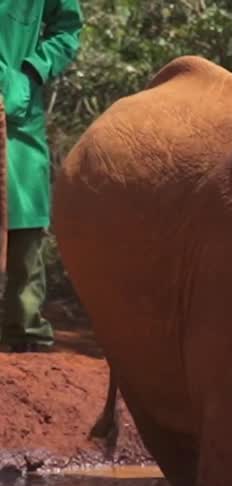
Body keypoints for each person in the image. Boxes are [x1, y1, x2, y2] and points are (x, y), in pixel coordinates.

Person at [2, 0, 83, 352]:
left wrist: (31, 72)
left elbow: (67, 29)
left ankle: (24, 330)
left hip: (16, 111)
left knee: (23, 213)